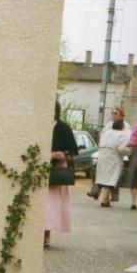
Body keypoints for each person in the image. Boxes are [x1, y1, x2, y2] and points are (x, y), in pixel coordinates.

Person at [44, 100, 79, 248]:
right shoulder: (39, 126)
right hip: (41, 168)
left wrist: (61, 155)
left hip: (57, 170)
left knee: (52, 203)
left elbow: (72, 152)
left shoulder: (63, 128)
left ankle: (46, 235)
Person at [86, 106, 130, 201]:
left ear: (121, 115)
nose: (113, 115)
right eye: (112, 113)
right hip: (107, 153)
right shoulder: (108, 125)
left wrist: (128, 150)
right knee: (104, 175)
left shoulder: (125, 126)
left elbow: (126, 140)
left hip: (116, 153)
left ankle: (113, 195)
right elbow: (103, 137)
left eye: (116, 113)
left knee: (112, 176)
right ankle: (98, 194)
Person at [95, 119, 130, 207]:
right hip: (113, 157)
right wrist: (129, 151)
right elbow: (122, 149)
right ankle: (103, 200)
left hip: (102, 155)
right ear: (122, 127)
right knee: (110, 179)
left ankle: (106, 199)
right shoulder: (122, 135)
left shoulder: (106, 133)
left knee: (104, 177)